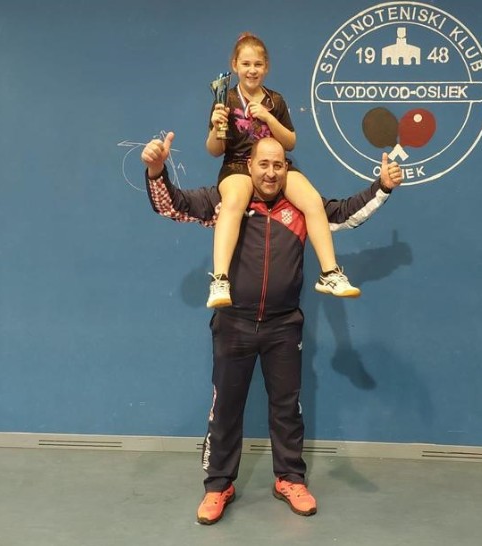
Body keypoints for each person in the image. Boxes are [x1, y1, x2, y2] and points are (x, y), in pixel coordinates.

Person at [141, 133, 403, 524]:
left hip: (283, 326)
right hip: (234, 323)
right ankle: (218, 486)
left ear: (287, 168)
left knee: (287, 409)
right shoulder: (226, 201)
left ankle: (290, 479)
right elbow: (172, 206)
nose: (270, 172)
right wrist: (156, 171)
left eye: (278, 165)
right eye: (263, 164)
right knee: (225, 410)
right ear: (248, 166)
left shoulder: (301, 206)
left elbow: (346, 214)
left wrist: (382, 186)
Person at [205, 33, 360, 309]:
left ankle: (329, 273)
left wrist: (268, 118)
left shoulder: (275, 100)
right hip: (237, 164)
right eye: (246, 64)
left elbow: (290, 142)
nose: (252, 70)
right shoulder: (225, 99)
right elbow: (214, 150)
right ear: (234, 65)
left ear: (266, 67)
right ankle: (220, 279)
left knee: (313, 200)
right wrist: (217, 126)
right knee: (234, 201)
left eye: (258, 64)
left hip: (275, 165)